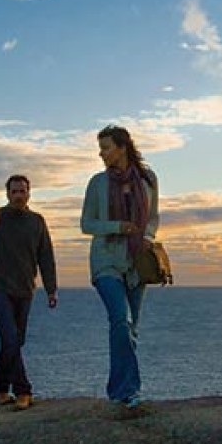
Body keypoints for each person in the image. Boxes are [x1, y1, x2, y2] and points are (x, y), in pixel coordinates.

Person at [0, 174, 58, 410]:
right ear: (7, 194)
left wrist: (51, 289)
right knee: (10, 337)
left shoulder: (37, 221)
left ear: (29, 194)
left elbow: (45, 255)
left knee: (15, 341)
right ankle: (23, 391)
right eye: (14, 191)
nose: (18, 195)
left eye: (22, 191)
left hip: (25, 288)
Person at [81, 124, 158, 413]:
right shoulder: (97, 183)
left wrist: (147, 237)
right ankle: (129, 391)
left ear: (122, 147)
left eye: (106, 147)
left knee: (130, 329)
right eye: (100, 148)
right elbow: (86, 224)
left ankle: (119, 392)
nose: (101, 154)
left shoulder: (148, 179)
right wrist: (118, 227)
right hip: (106, 261)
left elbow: (153, 217)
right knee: (120, 321)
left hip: (136, 262)